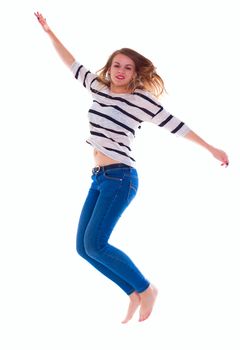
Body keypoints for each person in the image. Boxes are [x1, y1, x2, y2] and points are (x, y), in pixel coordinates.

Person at [34, 11, 229, 323]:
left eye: (127, 67)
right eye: (116, 65)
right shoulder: (98, 87)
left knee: (96, 245)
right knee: (83, 249)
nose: (121, 70)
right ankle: (132, 292)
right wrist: (49, 32)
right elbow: (71, 63)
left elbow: (176, 125)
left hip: (121, 178)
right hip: (99, 178)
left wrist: (210, 148)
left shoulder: (141, 100)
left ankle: (146, 288)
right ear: (109, 68)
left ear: (136, 72)